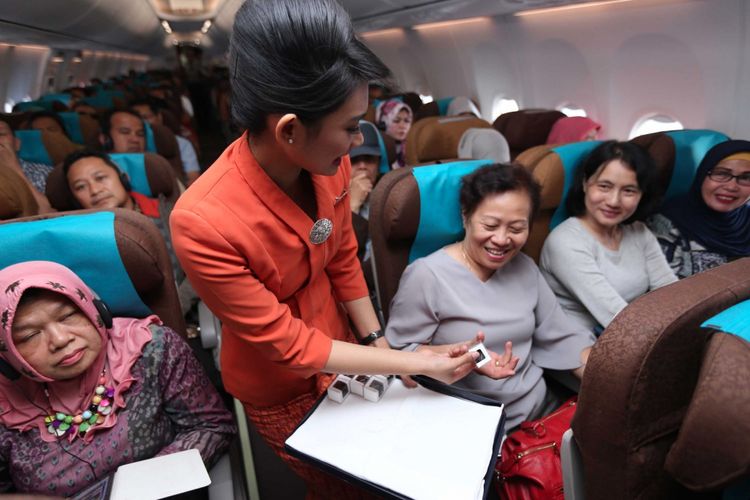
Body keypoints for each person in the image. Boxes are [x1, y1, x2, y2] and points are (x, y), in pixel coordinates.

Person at [169, 1, 481, 496]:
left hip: (347, 348)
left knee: (381, 474)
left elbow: (340, 257)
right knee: (340, 485)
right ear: (289, 130)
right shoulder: (201, 221)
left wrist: (377, 340)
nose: (358, 140)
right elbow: (289, 346)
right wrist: (416, 360)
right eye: (351, 125)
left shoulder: (327, 161)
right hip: (280, 387)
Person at [385, 163, 594, 430]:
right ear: (466, 217)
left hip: (539, 413)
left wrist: (611, 377)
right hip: (471, 423)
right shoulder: (427, 276)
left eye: (517, 229)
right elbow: (401, 355)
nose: (502, 239)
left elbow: (561, 336)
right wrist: (467, 357)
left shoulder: (525, 267)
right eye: (490, 225)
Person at [0, 261, 235, 497]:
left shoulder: (151, 349)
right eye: (30, 335)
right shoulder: (5, 408)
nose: (60, 339)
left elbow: (212, 426)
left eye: (68, 316)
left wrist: (145, 484)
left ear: (96, 311)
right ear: (7, 354)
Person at [540, 141, 677, 333]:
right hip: (575, 341)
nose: (614, 201)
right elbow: (614, 314)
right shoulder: (565, 241)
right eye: (604, 186)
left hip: (626, 331)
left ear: (641, 195)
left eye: (628, 190)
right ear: (585, 184)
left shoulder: (639, 231)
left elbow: (669, 291)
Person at [648, 140, 750, 278]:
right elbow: (665, 291)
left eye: (746, 177)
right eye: (721, 174)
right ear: (702, 174)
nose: (731, 187)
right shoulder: (667, 222)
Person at [131, 99, 201, 185]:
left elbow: (193, 178)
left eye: (146, 118)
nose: (142, 124)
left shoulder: (180, 143)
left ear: (159, 117)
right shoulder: (130, 145)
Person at [0, 119, 54, 213]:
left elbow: (46, 213)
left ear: (17, 144)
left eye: (1, 134)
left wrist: (14, 168)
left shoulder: (44, 173)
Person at [376, 99, 412, 169]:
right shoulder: (377, 150)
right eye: (396, 120)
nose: (402, 126)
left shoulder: (412, 149)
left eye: (407, 121)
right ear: (383, 123)